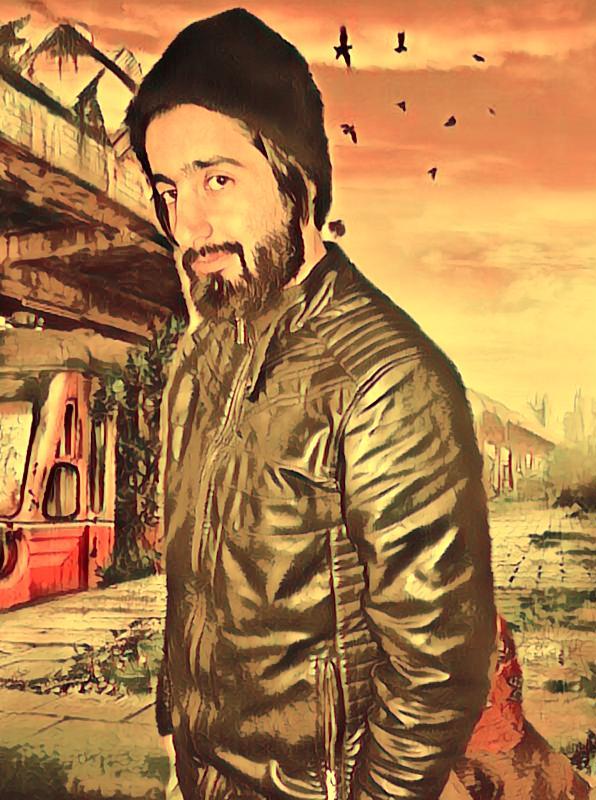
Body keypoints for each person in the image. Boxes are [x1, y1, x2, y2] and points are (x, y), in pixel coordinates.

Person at [125, 8, 497, 800]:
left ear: (298, 176)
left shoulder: (386, 379)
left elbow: (436, 672)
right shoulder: (201, 360)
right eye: (169, 189)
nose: (187, 223)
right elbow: (195, 592)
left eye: (217, 179)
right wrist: (177, 736)